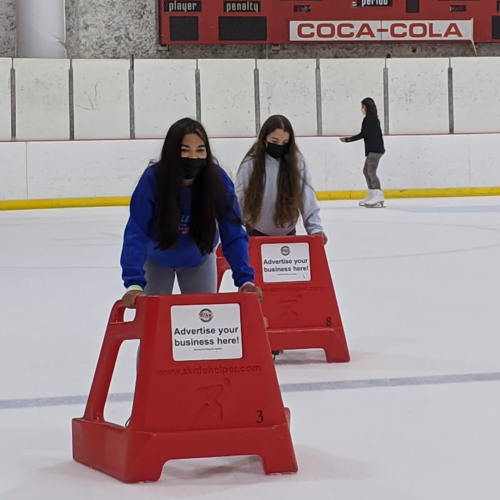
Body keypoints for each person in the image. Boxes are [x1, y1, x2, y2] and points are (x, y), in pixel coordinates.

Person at [120, 117, 261, 308]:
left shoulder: (217, 180)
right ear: (171, 151)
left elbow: (233, 231)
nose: (193, 157)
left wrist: (245, 279)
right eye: (185, 150)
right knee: (154, 318)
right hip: (156, 261)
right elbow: (136, 231)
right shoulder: (153, 180)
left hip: (199, 260)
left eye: (200, 150)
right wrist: (134, 283)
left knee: (203, 318)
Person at [235, 114, 327, 244]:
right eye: (274, 141)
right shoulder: (251, 163)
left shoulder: (297, 162)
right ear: (264, 138)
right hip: (255, 231)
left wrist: (315, 228)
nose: (279, 146)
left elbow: (306, 196)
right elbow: (239, 196)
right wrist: (235, 229)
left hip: (287, 232)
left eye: (284, 143)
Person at [340, 97, 386, 208]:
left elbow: (363, 134)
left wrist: (348, 139)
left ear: (367, 107)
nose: (362, 109)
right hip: (374, 149)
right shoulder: (372, 119)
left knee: (371, 171)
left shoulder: (370, 119)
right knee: (366, 171)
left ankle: (378, 195)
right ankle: (372, 194)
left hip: (375, 149)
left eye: (363, 107)